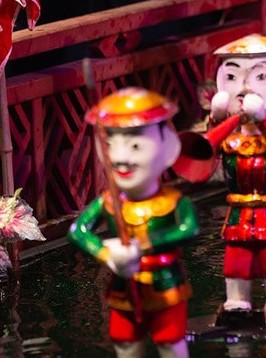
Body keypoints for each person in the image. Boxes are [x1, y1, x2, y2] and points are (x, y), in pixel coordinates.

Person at [69, 88, 198, 358]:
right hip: (123, 286)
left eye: (135, 145)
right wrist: (106, 253)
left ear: (169, 146)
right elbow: (79, 231)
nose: (121, 158)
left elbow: (189, 228)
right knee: (126, 344)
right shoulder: (108, 201)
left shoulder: (173, 201)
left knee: (170, 342)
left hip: (165, 284)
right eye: (111, 145)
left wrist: (144, 245)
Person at [207, 35, 266, 321]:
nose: (245, 88)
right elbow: (203, 157)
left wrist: (262, 118)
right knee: (235, 266)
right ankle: (237, 307)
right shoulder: (230, 140)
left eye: (263, 76)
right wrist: (216, 118)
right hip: (237, 217)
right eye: (233, 76)